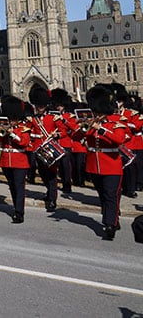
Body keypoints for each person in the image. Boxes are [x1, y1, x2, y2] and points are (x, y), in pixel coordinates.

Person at [72, 84, 127, 240]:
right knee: (103, 195)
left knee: (110, 195)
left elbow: (119, 139)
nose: (95, 113)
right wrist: (84, 127)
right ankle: (114, 219)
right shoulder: (91, 122)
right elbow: (75, 137)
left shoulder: (116, 121)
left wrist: (101, 129)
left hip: (112, 165)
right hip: (94, 166)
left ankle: (109, 225)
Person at [0, 96, 31, 223]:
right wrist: (0, 132)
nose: (11, 121)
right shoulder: (4, 127)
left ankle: (19, 212)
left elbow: (24, 142)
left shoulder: (24, 128)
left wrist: (12, 133)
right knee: (12, 186)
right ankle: (16, 206)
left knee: (19, 186)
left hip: (20, 161)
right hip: (6, 160)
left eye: (13, 119)